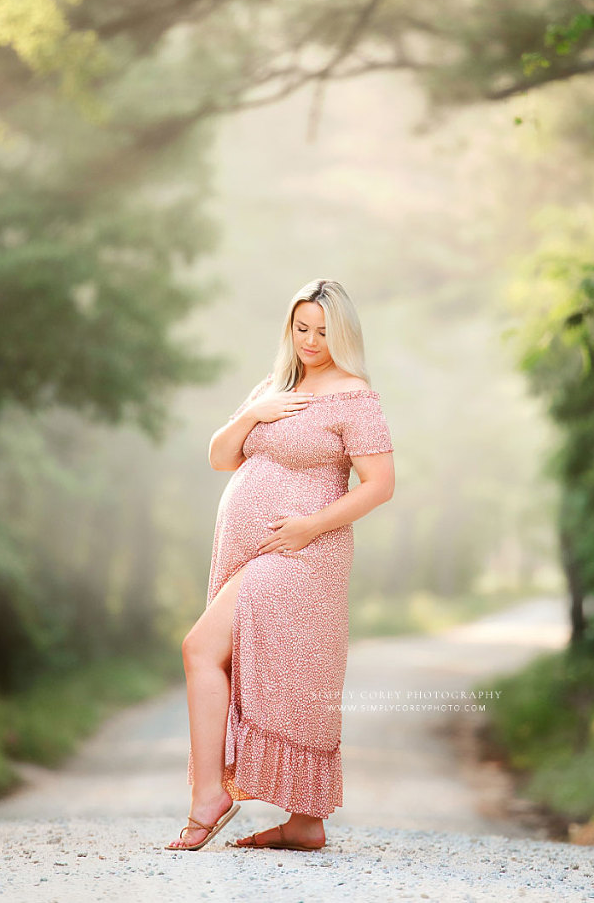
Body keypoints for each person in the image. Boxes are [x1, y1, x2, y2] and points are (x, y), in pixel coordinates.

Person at [164, 278, 395, 851]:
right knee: (269, 673)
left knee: (203, 650)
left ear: (342, 334)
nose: (311, 340)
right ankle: (303, 824)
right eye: (302, 328)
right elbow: (221, 456)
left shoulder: (353, 394)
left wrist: (308, 527)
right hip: (257, 550)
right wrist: (255, 413)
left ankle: (209, 796)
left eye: (323, 330)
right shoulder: (273, 386)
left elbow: (381, 485)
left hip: (303, 553)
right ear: (289, 327)